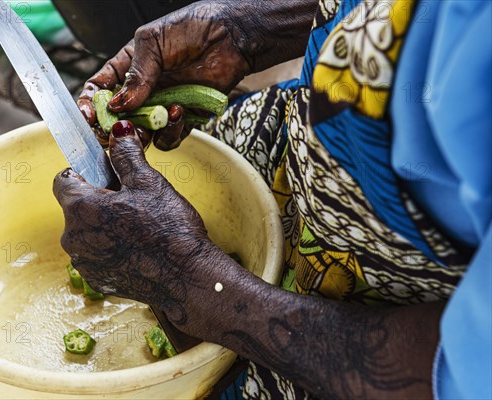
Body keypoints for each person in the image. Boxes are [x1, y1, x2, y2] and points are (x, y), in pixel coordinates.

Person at [53, 0, 491, 398]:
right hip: (304, 137)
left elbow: (461, 378)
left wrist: (186, 278)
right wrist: (251, 29)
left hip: (362, 342)